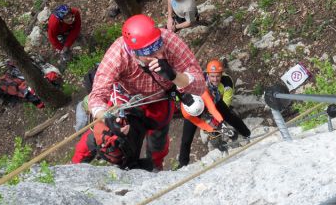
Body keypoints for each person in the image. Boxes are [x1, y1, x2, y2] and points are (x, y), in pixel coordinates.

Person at [86, 14, 204, 170]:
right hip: (129, 101)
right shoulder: (118, 55)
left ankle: (156, 166)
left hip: (160, 99)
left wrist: (175, 76)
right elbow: (97, 96)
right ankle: (124, 165)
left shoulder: (169, 41)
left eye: (158, 45)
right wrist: (107, 116)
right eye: (149, 51)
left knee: (158, 140)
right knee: (117, 140)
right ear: (134, 52)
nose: (159, 54)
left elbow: (200, 85)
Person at [176, 60, 250, 168]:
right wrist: (212, 128)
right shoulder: (187, 113)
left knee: (229, 116)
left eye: (217, 76)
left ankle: (247, 133)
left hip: (213, 100)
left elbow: (213, 109)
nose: (215, 79)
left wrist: (221, 124)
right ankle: (183, 164)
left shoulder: (205, 92)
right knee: (186, 138)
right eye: (212, 76)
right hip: (194, 112)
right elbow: (201, 124)